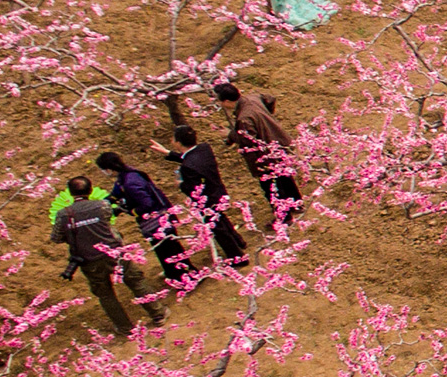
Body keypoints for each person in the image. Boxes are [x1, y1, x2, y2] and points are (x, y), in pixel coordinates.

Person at [50, 177, 167, 335]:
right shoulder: (102, 205)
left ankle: (125, 328)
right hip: (114, 253)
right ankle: (158, 314)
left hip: (88, 259)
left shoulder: (63, 214)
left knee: (105, 294)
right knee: (136, 281)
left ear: (70, 193)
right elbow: (107, 221)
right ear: (90, 190)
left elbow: (56, 238)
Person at [96, 152, 196, 291]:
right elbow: (115, 194)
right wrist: (103, 204)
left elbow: (146, 204)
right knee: (165, 248)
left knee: (167, 248)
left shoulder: (129, 182)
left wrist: (129, 211)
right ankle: (175, 274)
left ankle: (185, 277)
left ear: (108, 169)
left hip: (157, 220)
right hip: (158, 217)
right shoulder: (126, 176)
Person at [157, 123, 248, 268]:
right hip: (218, 192)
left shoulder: (187, 167)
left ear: (179, 142)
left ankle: (237, 257)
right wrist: (168, 153)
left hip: (207, 200)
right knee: (222, 219)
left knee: (218, 229)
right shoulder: (204, 149)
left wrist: (180, 184)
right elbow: (191, 159)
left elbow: (192, 189)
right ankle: (239, 242)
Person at [214, 82, 302, 228]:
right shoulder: (253, 98)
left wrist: (230, 134)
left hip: (266, 155)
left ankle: (284, 217)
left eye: (220, 101)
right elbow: (270, 98)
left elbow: (248, 140)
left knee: (272, 186)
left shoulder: (244, 118)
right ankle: (296, 203)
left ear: (228, 101)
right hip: (279, 141)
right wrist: (268, 116)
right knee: (285, 176)